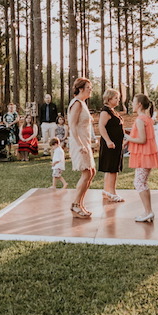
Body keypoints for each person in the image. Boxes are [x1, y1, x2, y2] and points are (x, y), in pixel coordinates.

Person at [125, 94, 158, 223]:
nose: (132, 104)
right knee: (142, 183)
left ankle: (148, 211)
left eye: (133, 102)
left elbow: (142, 139)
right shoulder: (147, 118)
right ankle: (148, 211)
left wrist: (127, 138)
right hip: (146, 155)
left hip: (144, 156)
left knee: (139, 183)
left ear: (139, 104)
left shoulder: (140, 119)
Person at [68, 77, 96, 218]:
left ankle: (80, 204)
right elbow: (72, 125)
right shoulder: (77, 104)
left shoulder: (83, 103)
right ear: (81, 89)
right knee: (86, 173)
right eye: (88, 87)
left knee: (91, 172)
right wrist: (80, 145)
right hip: (79, 142)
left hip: (85, 141)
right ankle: (75, 205)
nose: (90, 90)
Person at [98, 88, 125, 203]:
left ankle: (106, 190)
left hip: (116, 144)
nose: (118, 100)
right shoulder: (105, 112)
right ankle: (112, 192)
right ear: (109, 99)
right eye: (115, 98)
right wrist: (108, 141)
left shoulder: (113, 111)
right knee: (112, 168)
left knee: (112, 168)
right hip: (111, 144)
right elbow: (101, 127)